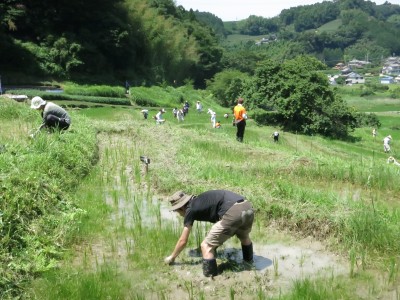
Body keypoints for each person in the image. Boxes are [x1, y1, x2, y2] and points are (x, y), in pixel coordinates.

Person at [164, 190, 254, 277]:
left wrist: (172, 257)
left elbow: (183, 241)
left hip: (233, 211)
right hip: (247, 206)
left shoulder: (190, 209)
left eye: (177, 211)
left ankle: (211, 277)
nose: (178, 214)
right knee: (244, 237)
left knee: (206, 246)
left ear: (181, 207)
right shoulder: (200, 200)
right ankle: (249, 264)